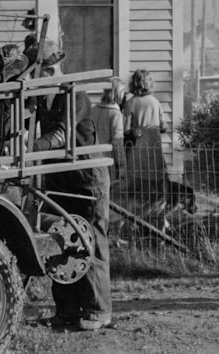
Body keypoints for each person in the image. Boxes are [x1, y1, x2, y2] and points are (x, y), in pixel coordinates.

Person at [28, 45, 111, 332]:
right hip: (60, 178)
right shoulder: (42, 97)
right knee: (61, 243)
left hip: (86, 178)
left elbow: (62, 135)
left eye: (34, 73)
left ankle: (97, 311)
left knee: (90, 244)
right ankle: (66, 311)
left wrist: (28, 151)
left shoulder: (75, 95)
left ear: (48, 71)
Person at [123, 69, 169, 230]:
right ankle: (159, 225)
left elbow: (126, 129)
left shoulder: (131, 103)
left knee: (136, 192)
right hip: (155, 152)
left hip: (138, 153)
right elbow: (164, 126)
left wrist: (136, 129)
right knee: (157, 192)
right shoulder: (155, 102)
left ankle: (135, 225)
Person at [90, 77, 127, 185]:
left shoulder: (93, 110)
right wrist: (122, 165)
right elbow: (118, 142)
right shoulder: (115, 113)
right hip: (108, 161)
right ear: (118, 93)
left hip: (92, 158)